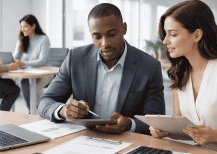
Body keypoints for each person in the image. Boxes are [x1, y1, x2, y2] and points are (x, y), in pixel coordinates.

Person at [38, 3, 165, 135]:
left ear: (124, 28)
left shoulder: (149, 66)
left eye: (111, 34)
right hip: (83, 138)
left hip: (126, 142)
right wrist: (63, 110)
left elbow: (157, 121)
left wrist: (129, 124)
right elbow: (45, 101)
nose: (105, 43)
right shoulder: (75, 59)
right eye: (97, 37)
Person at [150, 0, 217, 154]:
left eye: (173, 34)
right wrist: (165, 131)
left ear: (197, 35)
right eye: (165, 34)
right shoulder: (178, 73)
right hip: (191, 153)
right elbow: (181, 131)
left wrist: (214, 135)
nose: (165, 41)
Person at [13, 14, 53, 113]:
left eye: (25, 26)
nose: (23, 29)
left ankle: (43, 109)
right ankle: (31, 110)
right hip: (31, 72)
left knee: (35, 87)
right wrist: (11, 61)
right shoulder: (22, 39)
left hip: (45, 72)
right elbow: (16, 57)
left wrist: (22, 63)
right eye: (21, 27)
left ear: (33, 26)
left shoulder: (43, 39)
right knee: (23, 82)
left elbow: (42, 61)